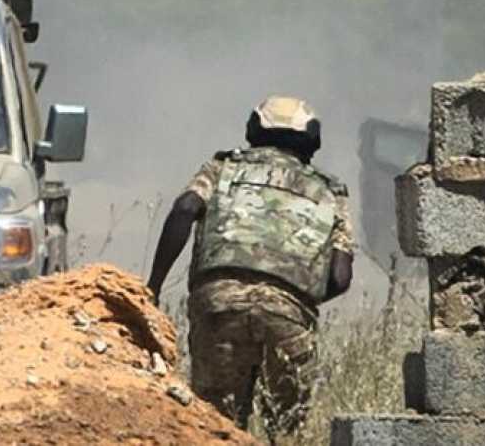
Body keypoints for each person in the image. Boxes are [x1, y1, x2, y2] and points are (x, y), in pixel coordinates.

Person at [146, 96, 354, 439]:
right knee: (284, 431)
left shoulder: (222, 168)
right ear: (311, 139)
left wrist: (153, 287)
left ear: (254, 129)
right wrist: (293, 301)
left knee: (215, 426)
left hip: (219, 305)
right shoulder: (330, 193)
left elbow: (184, 209)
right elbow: (340, 277)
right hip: (288, 315)